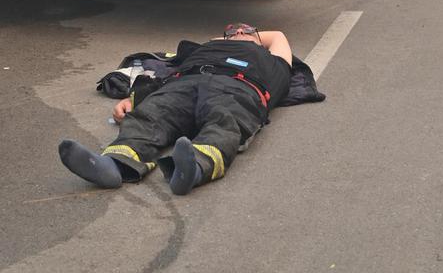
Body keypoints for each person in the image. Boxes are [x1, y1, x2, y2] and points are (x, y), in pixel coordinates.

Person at [58, 23, 312, 196]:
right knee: (150, 115)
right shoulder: (204, 51)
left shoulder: (273, 60)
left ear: (259, 39)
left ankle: (193, 169)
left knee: (224, 122)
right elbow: (162, 76)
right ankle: (114, 164)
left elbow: (278, 36)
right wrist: (134, 100)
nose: (238, 32)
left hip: (237, 88)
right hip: (183, 84)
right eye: (231, 30)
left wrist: (250, 37)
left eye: (247, 30)